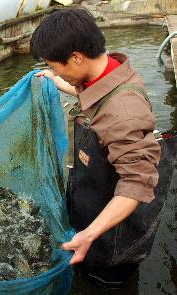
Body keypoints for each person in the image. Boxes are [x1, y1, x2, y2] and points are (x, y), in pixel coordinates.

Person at [30, 9, 163, 288]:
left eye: (56, 66)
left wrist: (89, 235)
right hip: (94, 201)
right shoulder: (106, 70)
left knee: (106, 282)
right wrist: (57, 81)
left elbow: (137, 183)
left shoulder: (124, 112)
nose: (56, 71)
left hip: (114, 235)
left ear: (77, 57)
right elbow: (90, 91)